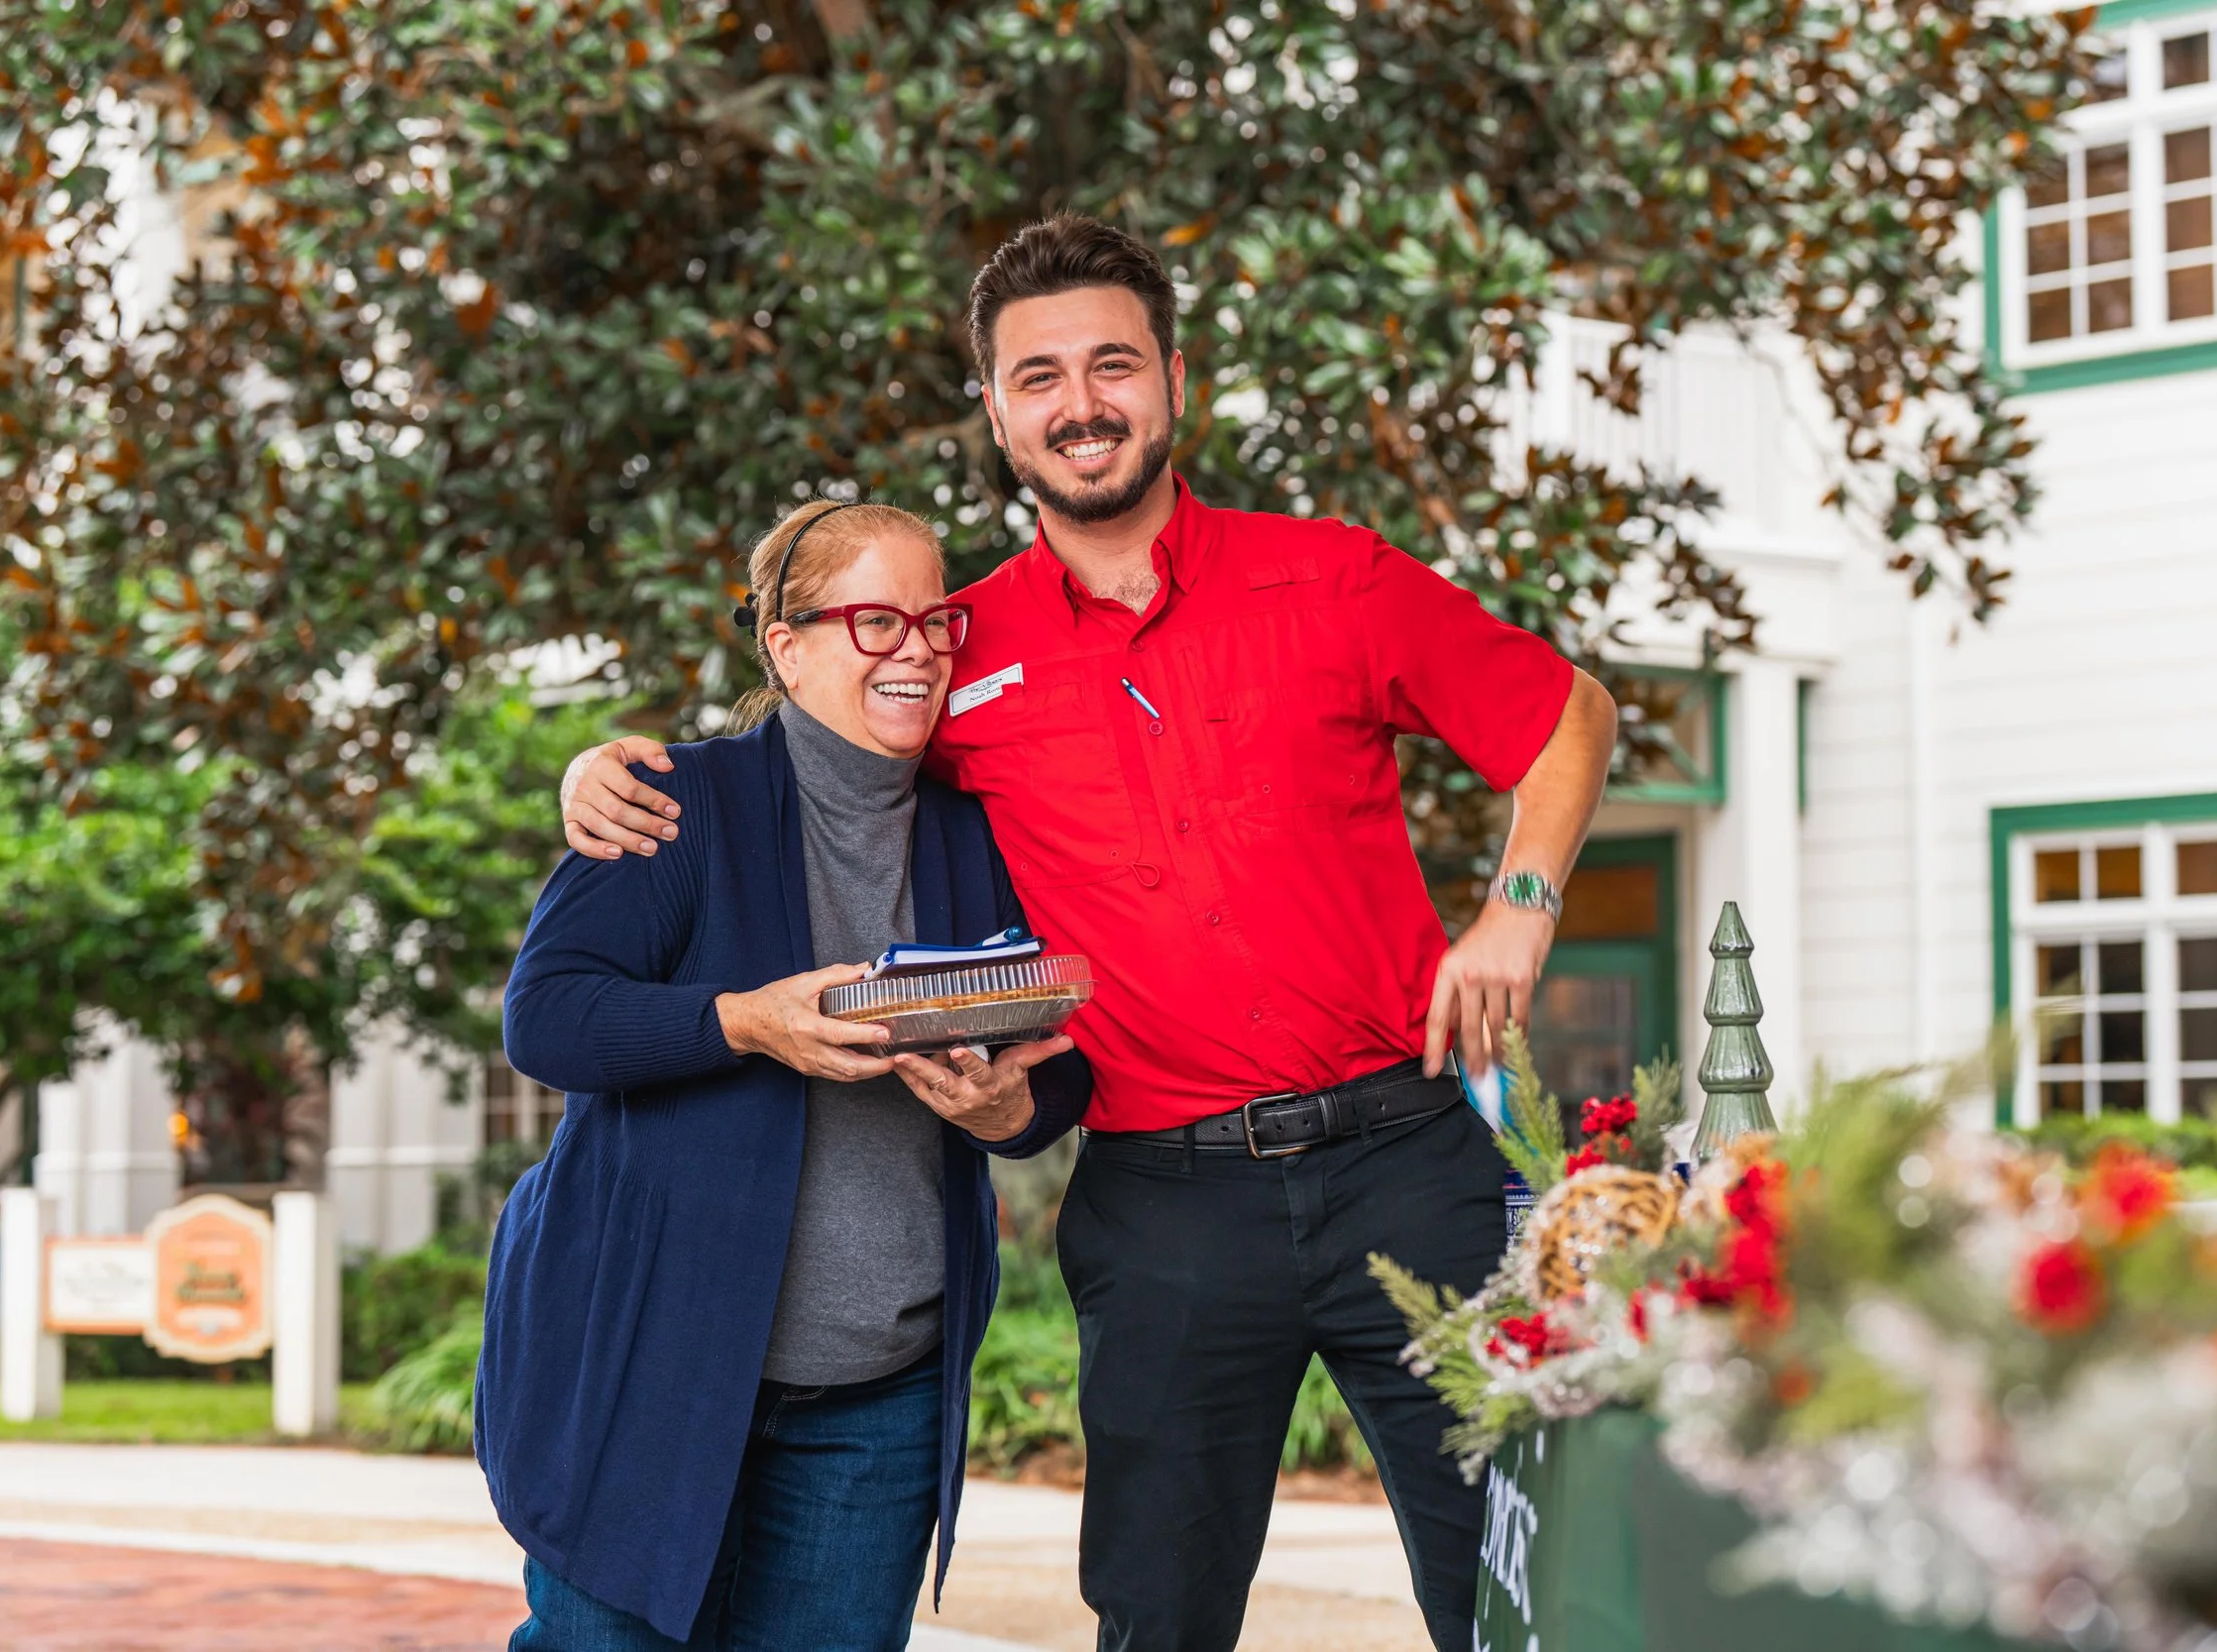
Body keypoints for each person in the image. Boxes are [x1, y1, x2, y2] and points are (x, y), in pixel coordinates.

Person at [559, 217, 1616, 1652]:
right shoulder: (952, 650)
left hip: (1406, 1160)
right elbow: (813, 757)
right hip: (1165, 1198)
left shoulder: (1333, 577)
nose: (1081, 402)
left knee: (1522, 1588)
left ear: (1174, 378)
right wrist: (619, 768)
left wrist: (1519, 905)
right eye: (1038, 375)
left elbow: (1569, 715)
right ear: (996, 412)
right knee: (1157, 1617)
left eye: (1112, 362)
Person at [485, 497, 1093, 1651]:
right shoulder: (674, 801)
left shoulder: (979, 829)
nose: (914, 647)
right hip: (653, 1372)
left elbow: (1057, 1059)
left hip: (878, 1400)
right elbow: (547, 1017)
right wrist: (745, 1022)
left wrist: (1015, 1107)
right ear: (787, 646)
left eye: (936, 620)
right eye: (874, 619)